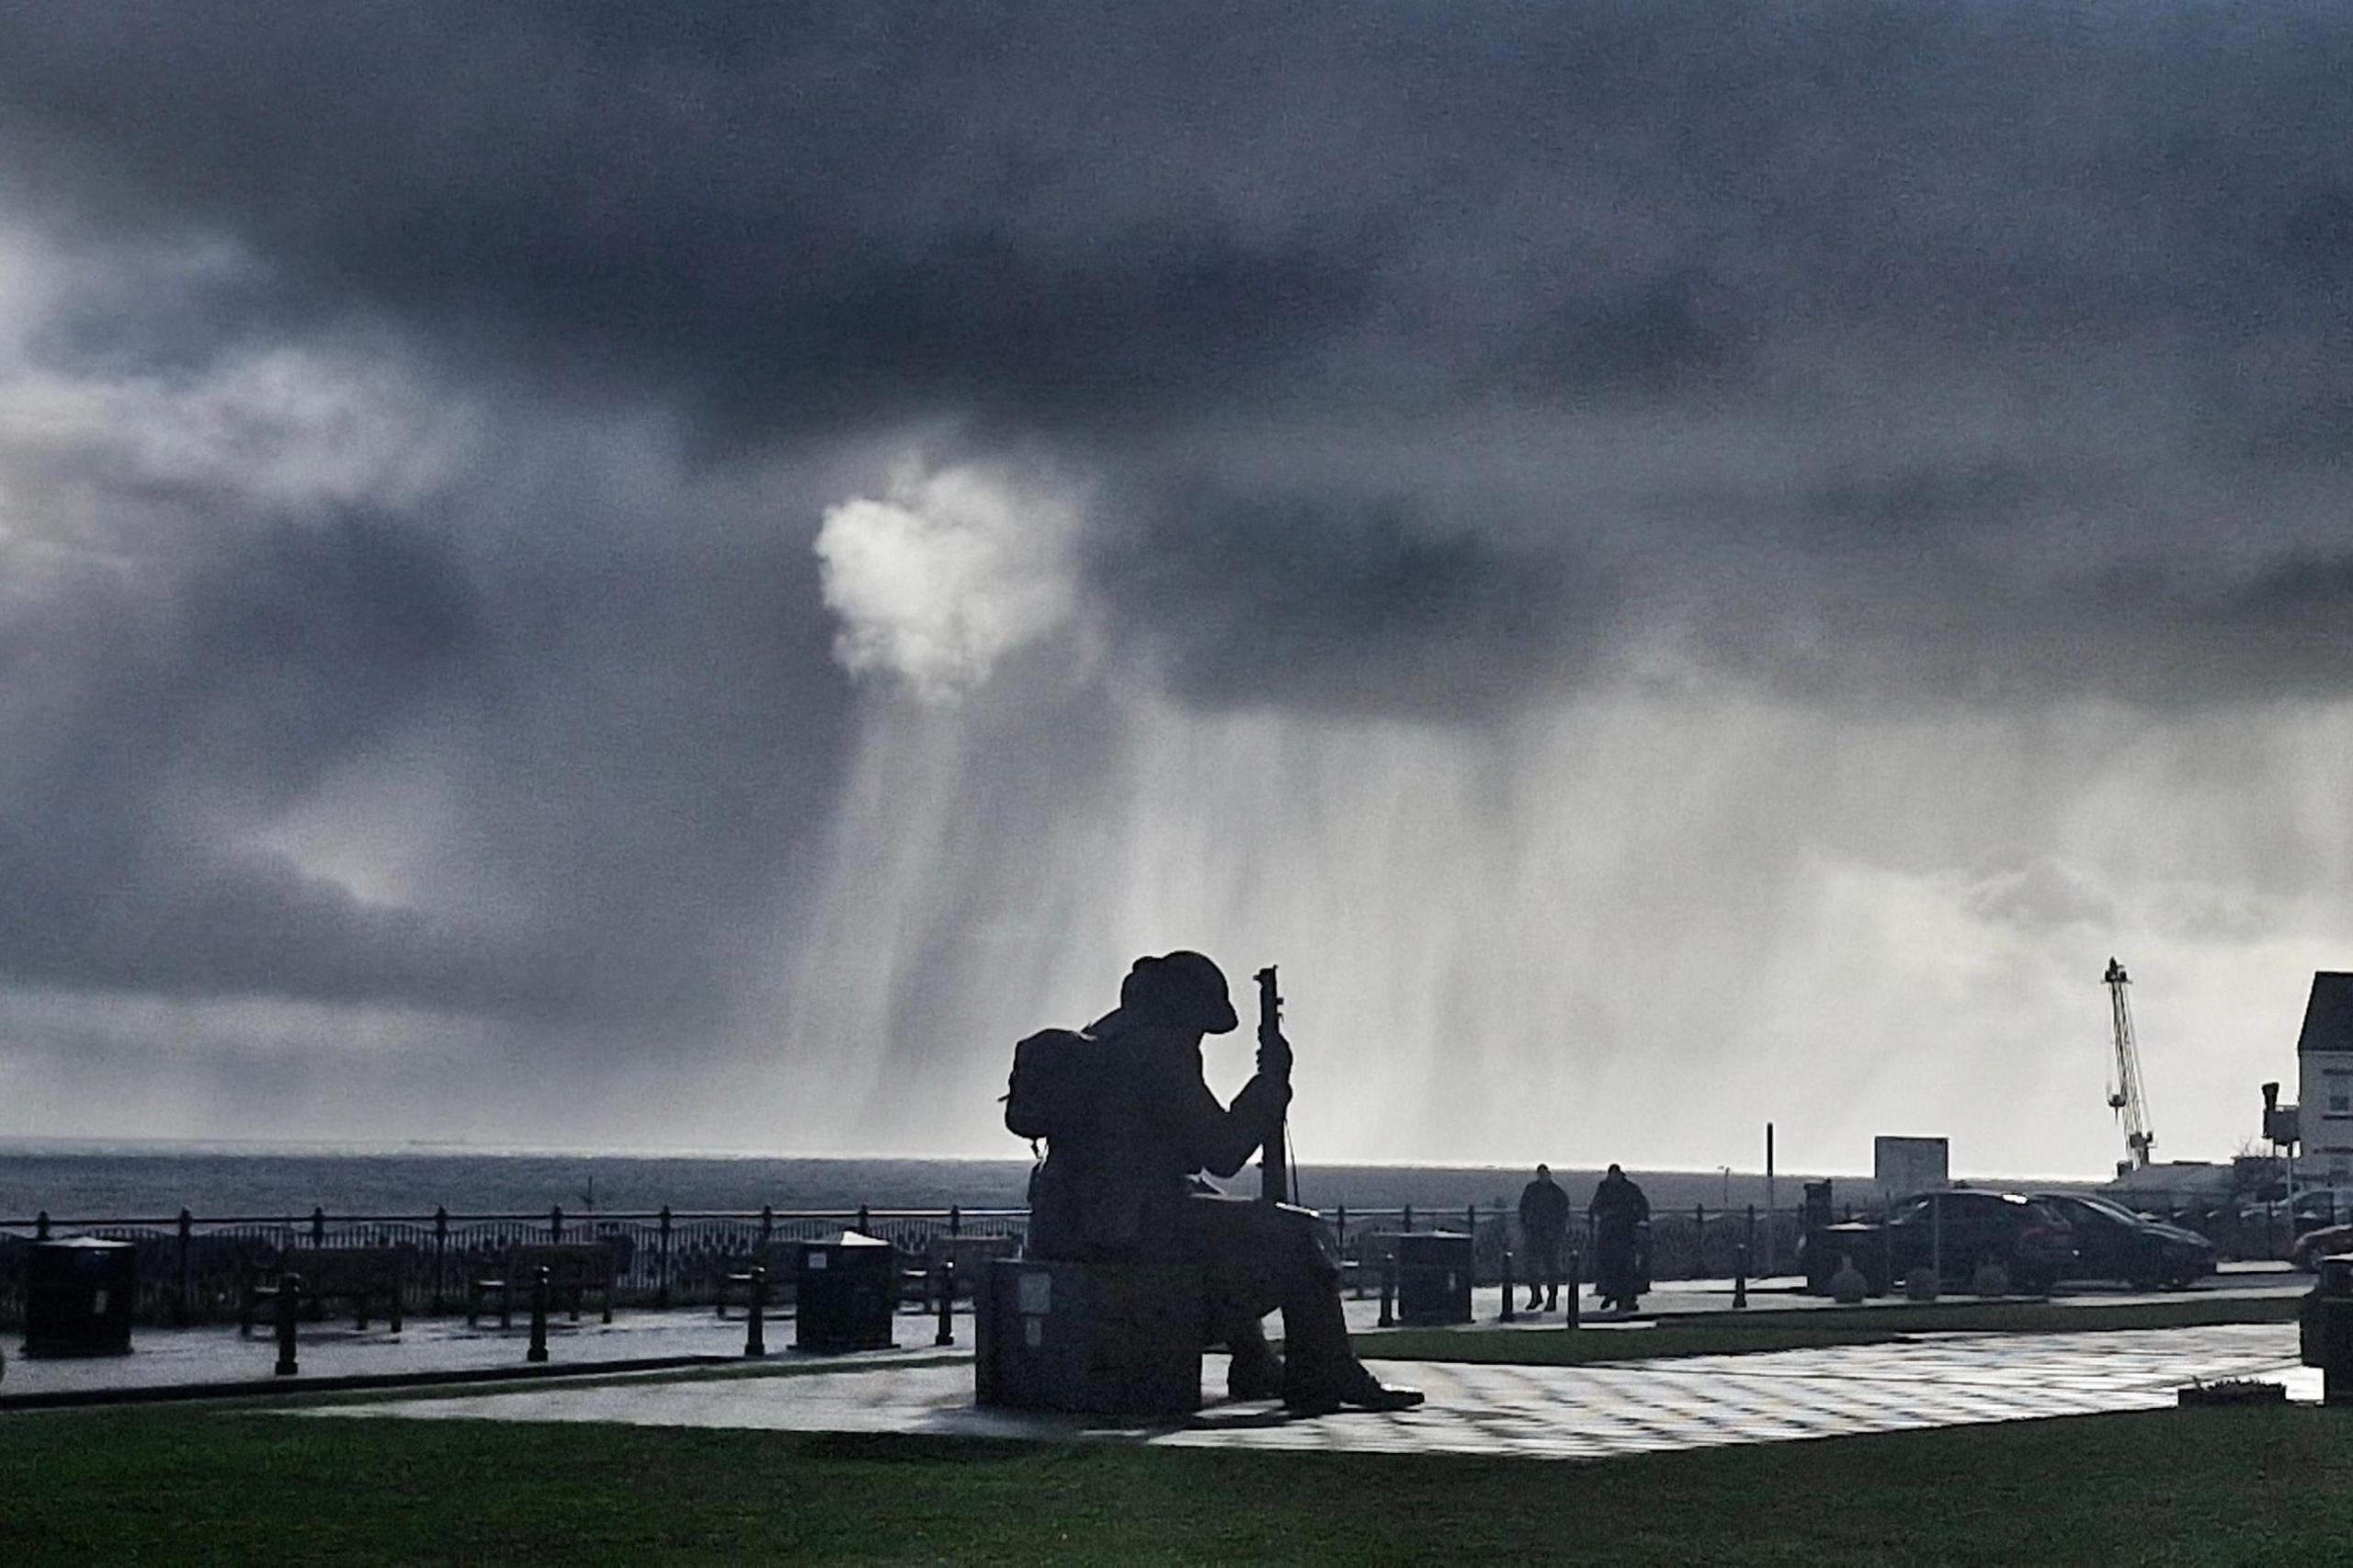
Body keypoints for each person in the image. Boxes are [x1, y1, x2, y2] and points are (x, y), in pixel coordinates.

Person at [1025, 950, 1423, 1414]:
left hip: (1069, 1220)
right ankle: (1326, 1372)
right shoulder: (1161, 1047)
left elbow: (1185, 1151)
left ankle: (1253, 1359)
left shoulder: (1108, 1035)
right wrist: (1270, 1083)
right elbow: (1222, 1152)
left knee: (1217, 1213)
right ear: (1186, 1010)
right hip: (1129, 1226)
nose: (1200, 1038)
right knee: (1300, 1233)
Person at [1587, 1163, 1651, 1312]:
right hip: (1609, 1234)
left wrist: (1634, 1218)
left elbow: (1643, 1206)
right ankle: (1613, 1293)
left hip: (1625, 1233)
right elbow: (1596, 1207)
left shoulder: (1630, 1189)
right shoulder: (1604, 1188)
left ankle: (1626, 1297)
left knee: (1626, 1267)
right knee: (1610, 1266)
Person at [1517, 1164, 1571, 1312]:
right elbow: (1523, 1209)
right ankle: (1536, 1295)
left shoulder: (1557, 1193)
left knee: (1552, 1268)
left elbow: (1564, 1214)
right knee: (1532, 1267)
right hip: (1534, 1234)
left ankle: (1552, 1298)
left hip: (1551, 1237)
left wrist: (1557, 1231)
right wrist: (1526, 1227)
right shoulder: (1531, 1190)